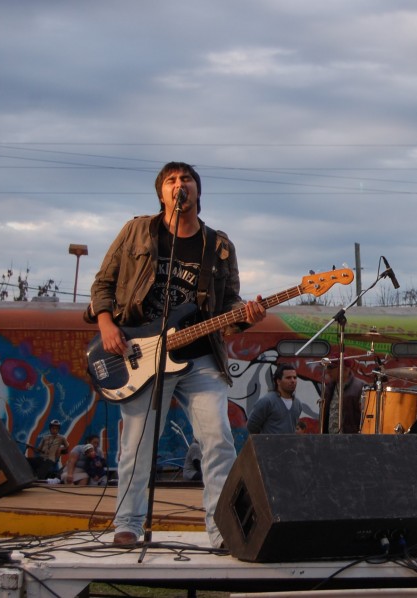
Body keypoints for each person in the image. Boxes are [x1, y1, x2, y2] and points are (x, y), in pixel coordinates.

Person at [84, 161, 266, 548]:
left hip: (200, 357)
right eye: (171, 180)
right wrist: (106, 324)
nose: (178, 184)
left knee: (218, 441)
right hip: (140, 352)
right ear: (161, 193)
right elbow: (103, 282)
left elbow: (228, 306)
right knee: (137, 443)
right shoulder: (137, 231)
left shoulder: (218, 245)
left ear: (197, 191)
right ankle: (128, 525)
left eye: (185, 179)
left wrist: (248, 316)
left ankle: (220, 532)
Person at [247, 364, 303, 434]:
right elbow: (251, 426)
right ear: (278, 381)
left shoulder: (297, 404)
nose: (293, 381)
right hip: (269, 444)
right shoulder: (266, 401)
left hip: (289, 444)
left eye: (294, 378)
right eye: (288, 378)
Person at [322, 362, 365, 434]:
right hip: (329, 440)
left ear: (344, 368)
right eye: (327, 367)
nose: (328, 371)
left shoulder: (360, 387)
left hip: (350, 440)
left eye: (331, 367)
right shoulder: (329, 388)